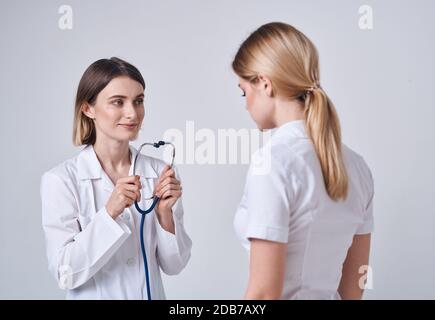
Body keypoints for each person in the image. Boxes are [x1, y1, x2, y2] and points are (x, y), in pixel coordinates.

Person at [232, 22, 374, 299]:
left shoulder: (273, 163)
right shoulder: (358, 167)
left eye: (243, 91)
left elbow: (263, 294)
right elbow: (353, 289)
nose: (245, 102)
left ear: (264, 83)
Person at [40, 57, 192, 299]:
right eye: (117, 102)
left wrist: (165, 214)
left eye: (138, 101)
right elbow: (65, 273)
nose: (132, 113)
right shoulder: (61, 181)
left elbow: (175, 265)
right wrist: (109, 214)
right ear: (88, 108)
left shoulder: (160, 172)